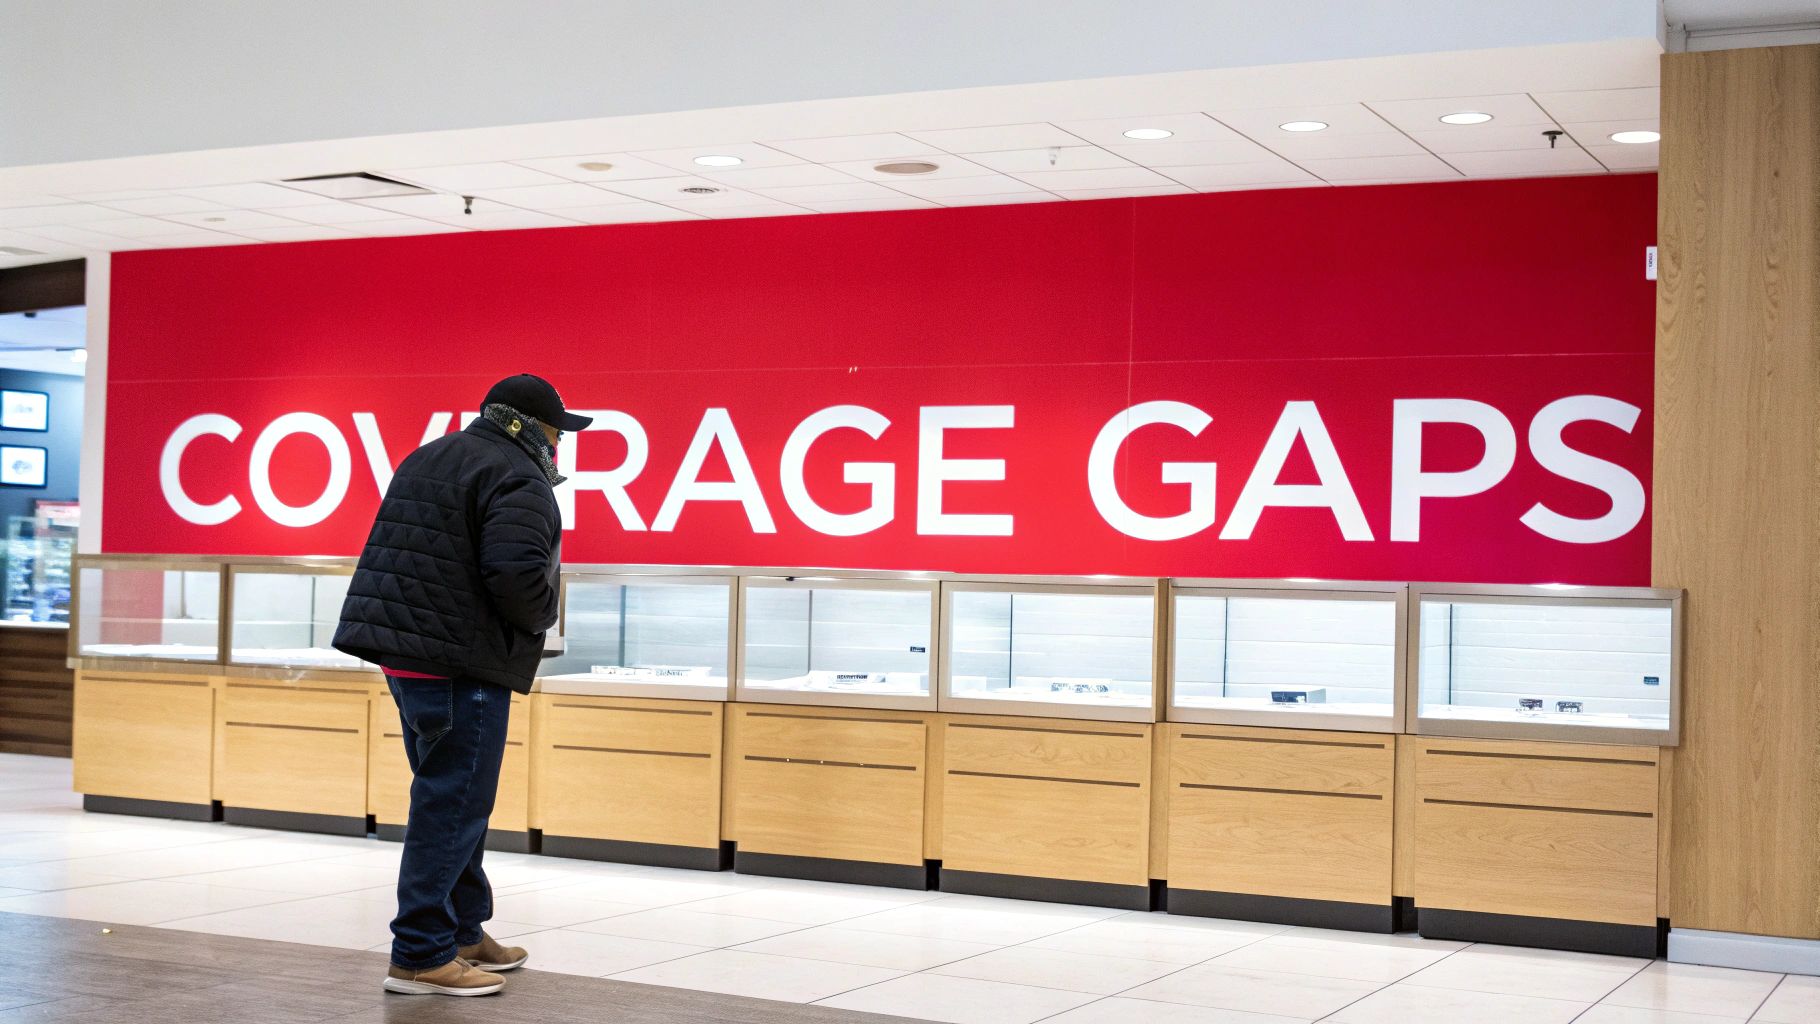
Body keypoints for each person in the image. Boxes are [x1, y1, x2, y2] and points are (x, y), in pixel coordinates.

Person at [333, 374, 591, 997]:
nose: (561, 442)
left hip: (408, 657)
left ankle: (464, 931)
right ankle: (420, 953)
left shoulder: (432, 455)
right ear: (533, 426)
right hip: (459, 662)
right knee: (453, 804)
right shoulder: (519, 476)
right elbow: (517, 575)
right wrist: (541, 619)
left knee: (452, 795)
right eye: (559, 429)